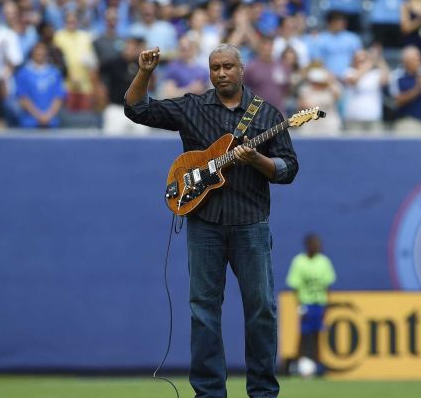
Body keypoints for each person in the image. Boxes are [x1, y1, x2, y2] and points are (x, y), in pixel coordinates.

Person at [124, 43, 299, 398]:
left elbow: (288, 169)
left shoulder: (267, 115)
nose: (221, 73)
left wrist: (257, 162)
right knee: (203, 311)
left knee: (261, 309)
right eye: (215, 67)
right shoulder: (191, 107)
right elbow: (136, 108)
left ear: (241, 69)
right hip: (204, 222)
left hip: (251, 223)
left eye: (228, 66)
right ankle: (208, 392)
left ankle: (263, 392)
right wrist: (144, 72)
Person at [285, 233, 336, 375]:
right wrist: (299, 305)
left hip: (319, 304)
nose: (318, 246)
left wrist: (326, 305)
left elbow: (327, 286)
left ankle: (317, 364)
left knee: (318, 335)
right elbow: (295, 286)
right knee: (303, 335)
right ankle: (297, 364)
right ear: (308, 245)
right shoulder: (299, 262)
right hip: (306, 304)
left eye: (319, 244)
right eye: (315, 244)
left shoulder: (324, 262)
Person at [388, 45, 421, 136]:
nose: (420, 62)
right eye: (416, 60)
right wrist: (417, 89)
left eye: (420, 59)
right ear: (406, 62)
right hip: (406, 121)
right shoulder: (396, 75)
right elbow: (398, 101)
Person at [14, 41, 66, 128]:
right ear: (32, 54)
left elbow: (59, 97)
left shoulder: (55, 73)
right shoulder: (23, 73)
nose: (40, 56)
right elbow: (23, 98)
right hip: (29, 121)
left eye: (42, 54)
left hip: (51, 120)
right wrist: (39, 116)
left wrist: (48, 116)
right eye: (37, 54)